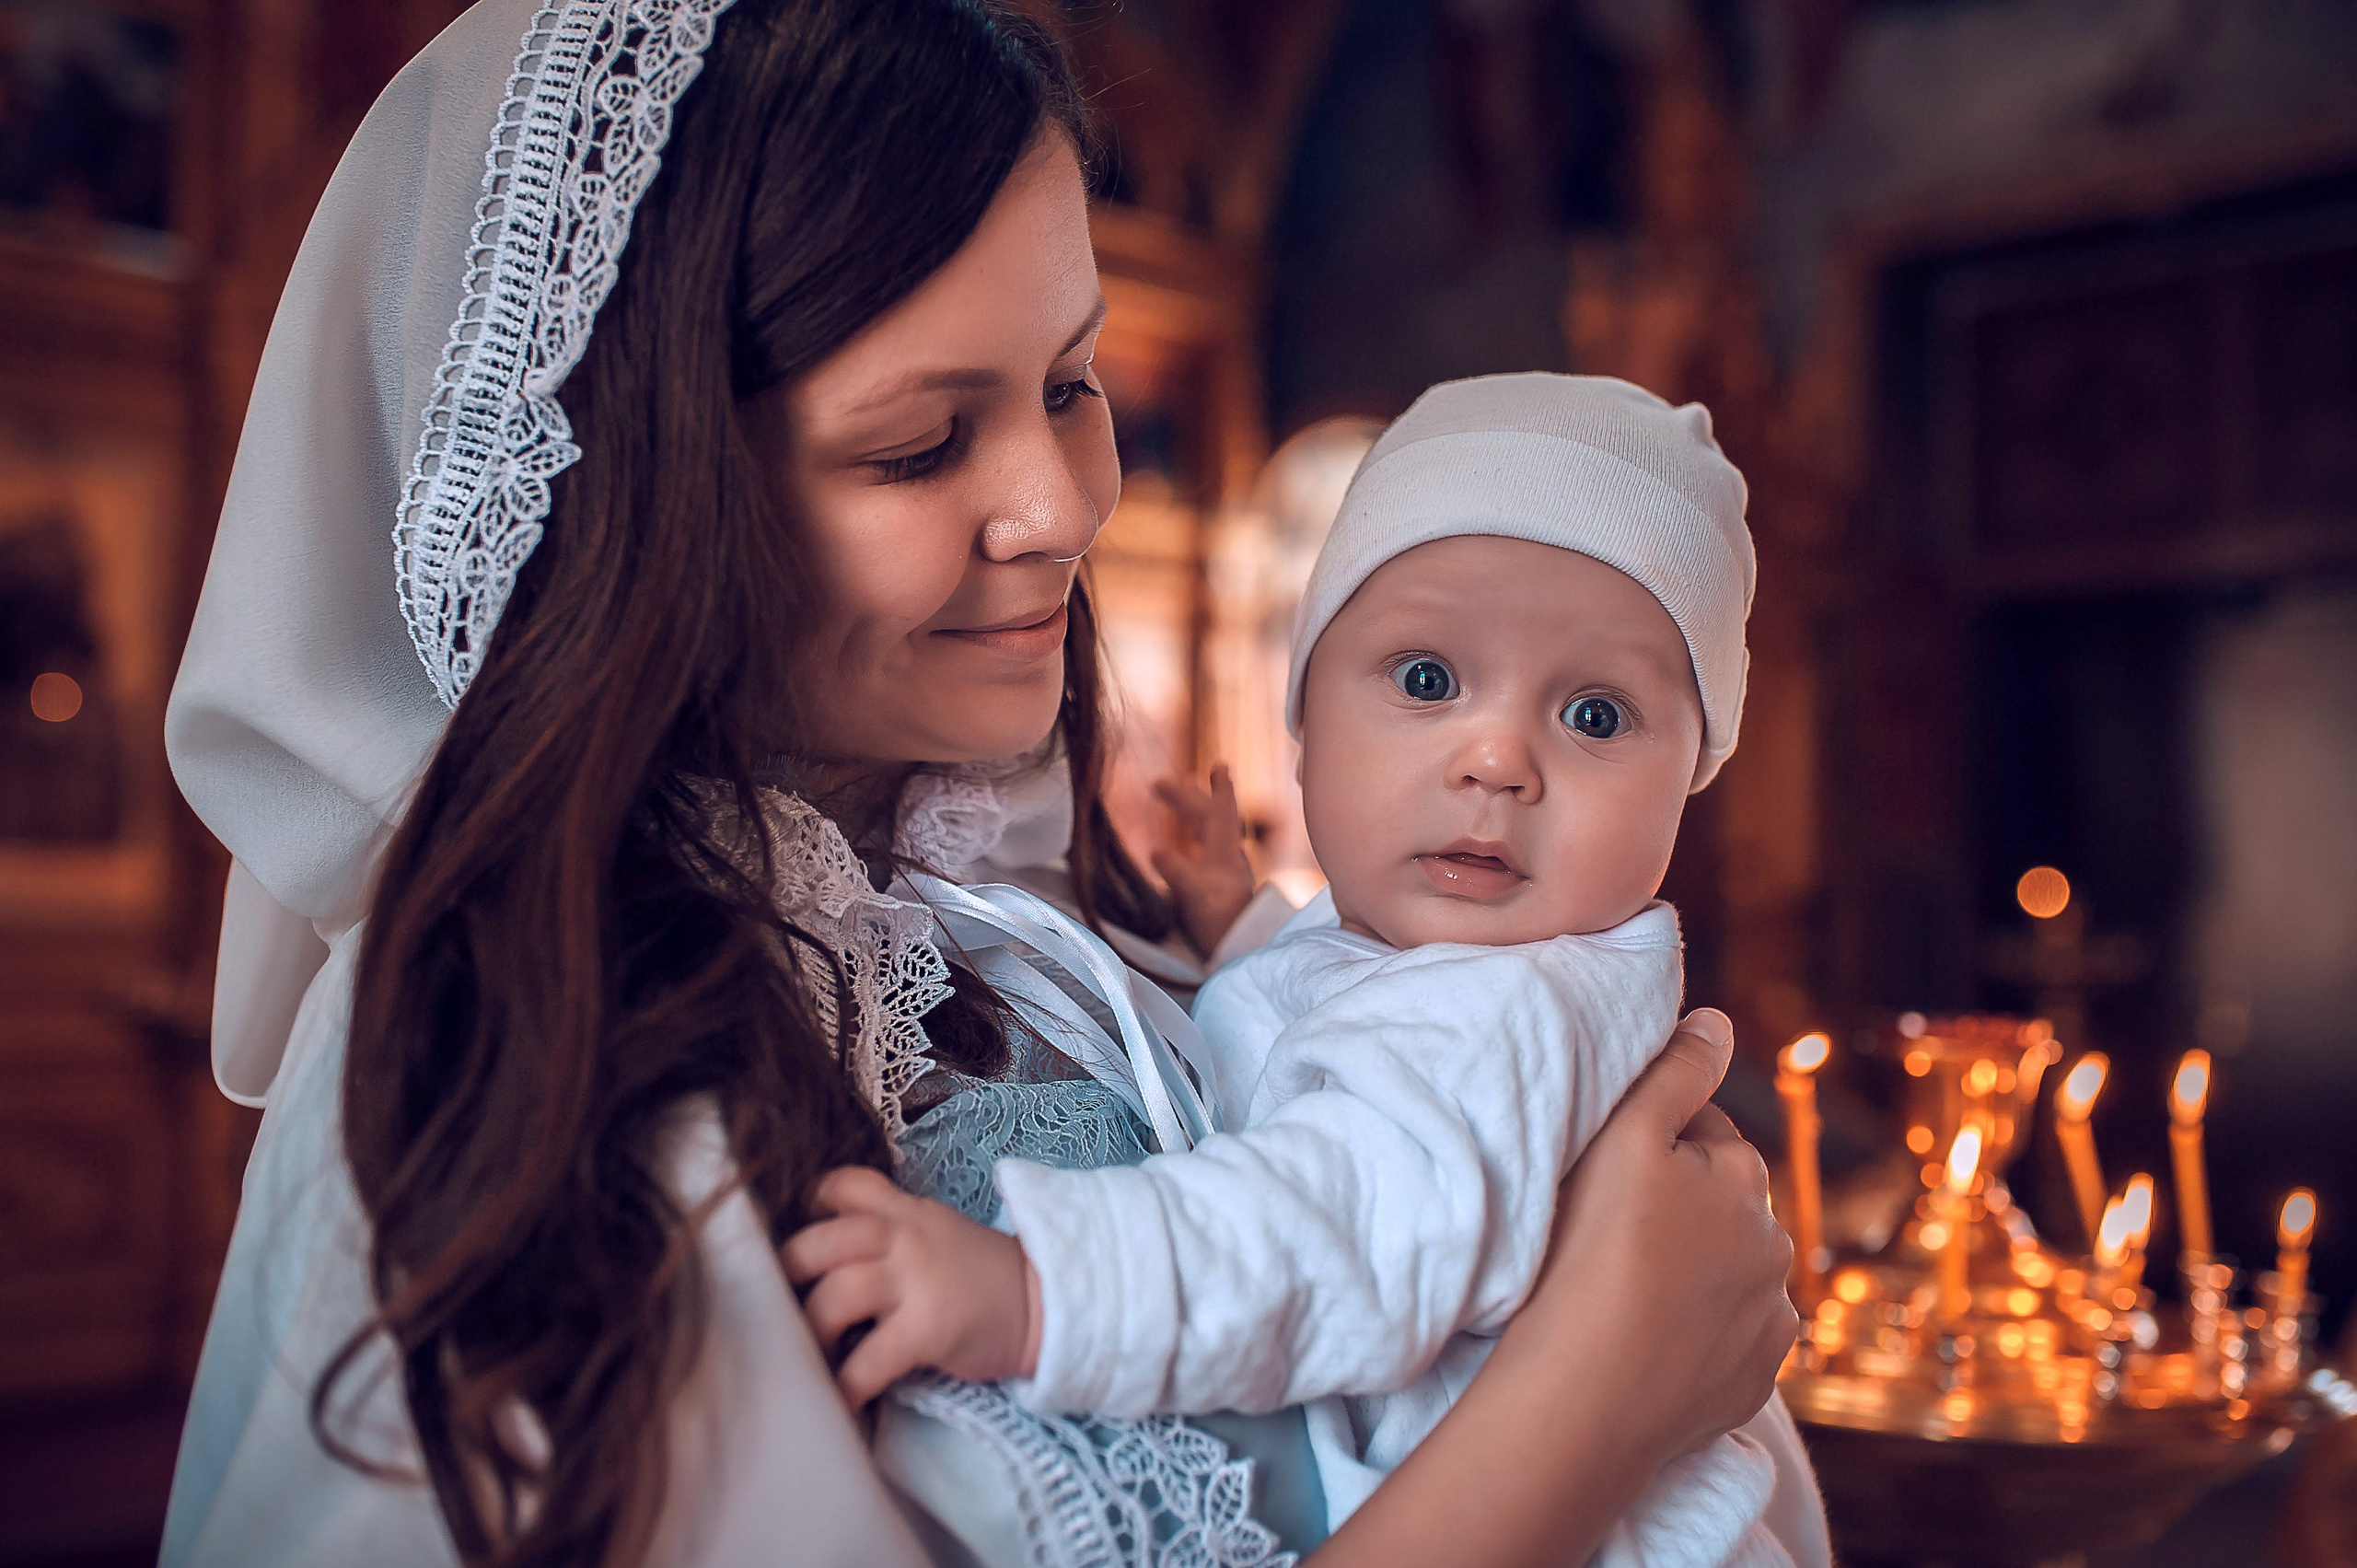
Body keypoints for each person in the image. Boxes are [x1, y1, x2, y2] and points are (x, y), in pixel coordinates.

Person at [158, 2, 1800, 1564]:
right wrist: (1589, 1409)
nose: (1064, 506)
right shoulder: (514, 1074)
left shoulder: (1059, 953)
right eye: (919, 445)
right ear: (642, 495)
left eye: (1074, 385)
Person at [784, 374, 1829, 1568]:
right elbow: (1348, 1025)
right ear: (1302, 716)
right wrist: (1245, 931)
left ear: (1694, 778)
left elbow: (1333, 1228)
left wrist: (1035, 1293)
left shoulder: (1515, 1009)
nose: (1498, 758)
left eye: (1596, 715)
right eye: (1428, 681)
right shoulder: (1469, 969)